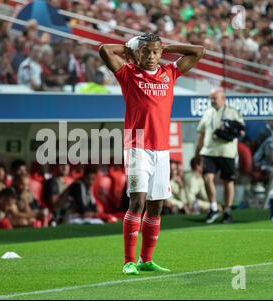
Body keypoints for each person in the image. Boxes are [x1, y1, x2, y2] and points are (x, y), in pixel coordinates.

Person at [99, 33, 205, 275]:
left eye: (156, 52)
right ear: (138, 53)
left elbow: (198, 51)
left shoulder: (169, 73)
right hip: (137, 146)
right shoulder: (128, 74)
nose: (151, 56)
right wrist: (129, 49)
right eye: (146, 51)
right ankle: (128, 261)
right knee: (137, 201)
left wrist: (167, 47)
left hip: (162, 149)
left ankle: (145, 260)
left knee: (156, 207)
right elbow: (105, 49)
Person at [195, 87, 244, 224]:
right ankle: (214, 207)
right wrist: (197, 152)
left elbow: (241, 131)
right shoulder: (207, 113)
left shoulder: (233, 112)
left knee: (228, 181)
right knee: (207, 178)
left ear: (223, 99)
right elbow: (201, 133)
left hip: (227, 152)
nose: (212, 100)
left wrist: (228, 131)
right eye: (210, 98)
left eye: (214, 98)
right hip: (209, 151)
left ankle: (227, 210)